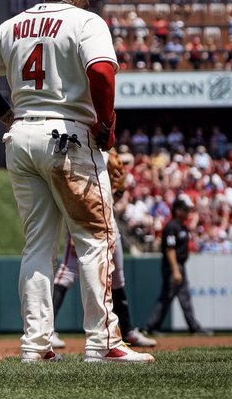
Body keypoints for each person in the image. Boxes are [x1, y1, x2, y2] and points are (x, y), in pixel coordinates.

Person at [0, 0, 153, 364]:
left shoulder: (13, 25)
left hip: (22, 136)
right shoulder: (87, 22)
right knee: (96, 238)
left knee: (37, 245)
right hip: (68, 137)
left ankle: (36, 345)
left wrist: (8, 117)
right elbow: (101, 72)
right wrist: (106, 124)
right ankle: (103, 341)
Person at [50, 148, 156, 350]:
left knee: (117, 278)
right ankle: (47, 331)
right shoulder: (78, 151)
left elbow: (118, 187)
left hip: (108, 218)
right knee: (66, 273)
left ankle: (128, 331)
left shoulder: (102, 154)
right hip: (81, 217)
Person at [143, 197, 211, 337]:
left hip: (179, 266)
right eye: (185, 210)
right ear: (178, 210)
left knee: (183, 297)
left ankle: (193, 327)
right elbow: (170, 249)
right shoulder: (171, 226)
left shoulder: (181, 226)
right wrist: (175, 270)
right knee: (167, 296)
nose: (188, 213)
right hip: (172, 265)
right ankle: (150, 327)